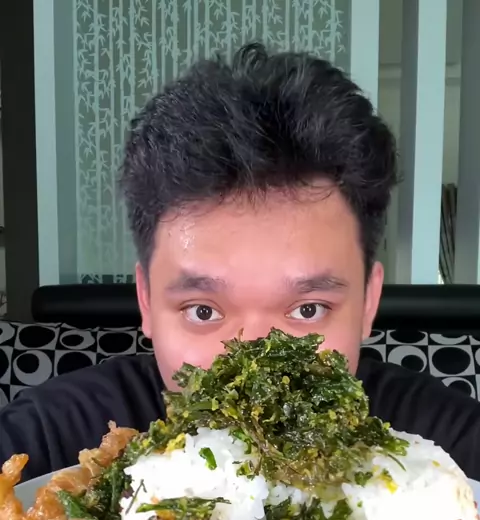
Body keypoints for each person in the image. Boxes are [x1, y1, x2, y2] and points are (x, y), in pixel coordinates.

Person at [1, 44, 479, 480]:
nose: (252, 367)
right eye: (203, 311)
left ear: (369, 301)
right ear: (146, 301)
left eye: (308, 309)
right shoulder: (50, 436)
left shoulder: (452, 445)